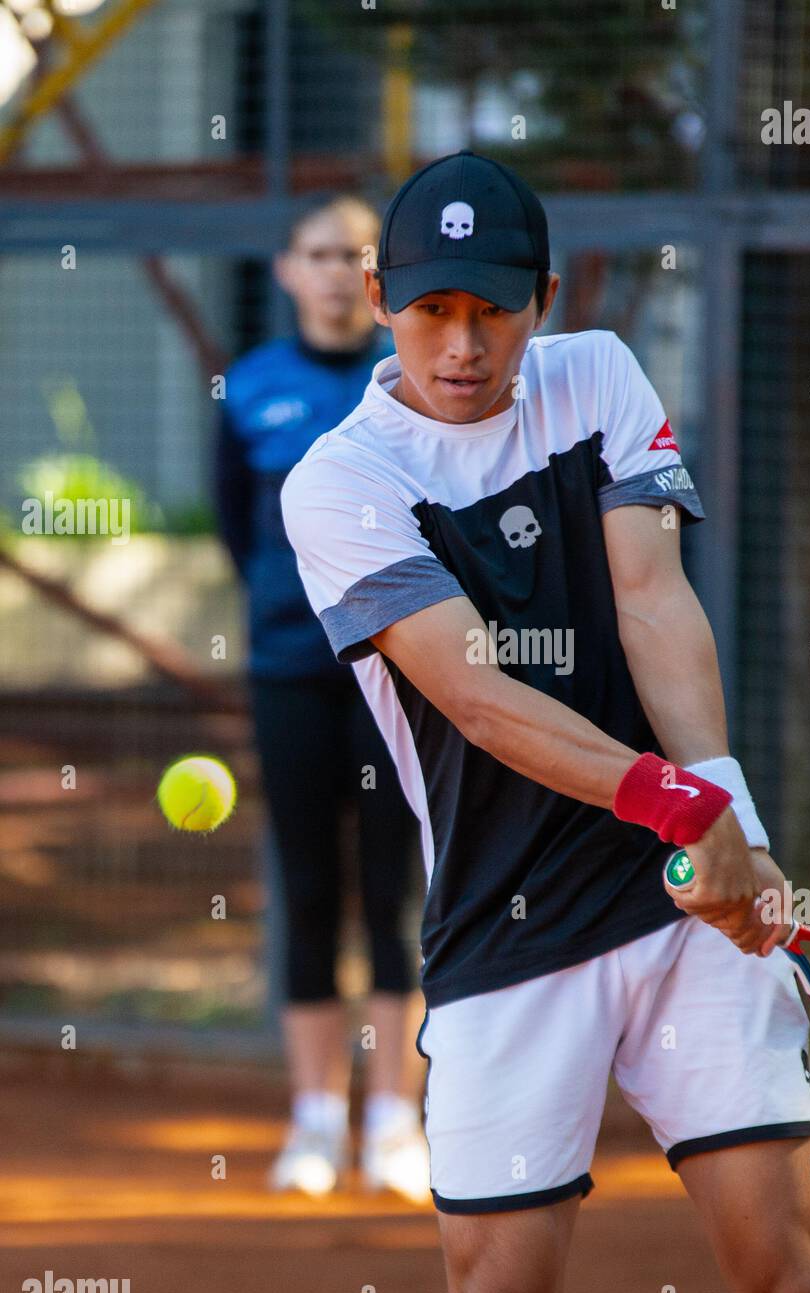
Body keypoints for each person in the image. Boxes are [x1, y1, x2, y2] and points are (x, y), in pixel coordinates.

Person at [281, 151, 810, 1293]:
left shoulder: (598, 377)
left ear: (546, 295)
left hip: (681, 909)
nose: (463, 348)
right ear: (380, 297)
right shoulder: (338, 485)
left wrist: (725, 813)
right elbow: (479, 696)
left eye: (493, 311)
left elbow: (652, 601)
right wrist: (684, 804)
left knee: (786, 1273)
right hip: (504, 927)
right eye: (432, 310)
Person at [213, 195, 428, 1202]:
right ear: (287, 270)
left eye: (356, 256)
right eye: (318, 255)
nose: (338, 274)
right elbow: (235, 525)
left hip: (397, 673)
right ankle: (313, 1121)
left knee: (393, 898)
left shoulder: (415, 383)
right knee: (307, 893)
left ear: (379, 277)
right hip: (288, 673)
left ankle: (394, 1120)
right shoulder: (249, 387)